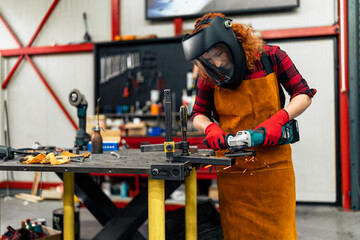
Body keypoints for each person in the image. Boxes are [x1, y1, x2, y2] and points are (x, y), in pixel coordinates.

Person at [182, 12, 316, 239]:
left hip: (273, 167)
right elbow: (198, 113)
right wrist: (210, 128)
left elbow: (303, 93)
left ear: (232, 41)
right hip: (233, 171)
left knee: (280, 234)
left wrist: (280, 118)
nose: (216, 62)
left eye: (218, 53)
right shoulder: (210, 75)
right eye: (208, 58)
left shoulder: (272, 57)